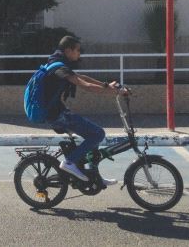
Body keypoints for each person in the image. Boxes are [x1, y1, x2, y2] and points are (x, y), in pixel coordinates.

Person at [44, 35, 127, 184]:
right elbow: (85, 86)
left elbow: (83, 77)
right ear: (68, 50)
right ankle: (70, 162)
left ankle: (95, 177)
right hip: (56, 115)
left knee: (92, 136)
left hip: (58, 112)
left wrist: (106, 85)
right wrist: (115, 92)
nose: (79, 53)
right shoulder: (59, 67)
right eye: (77, 50)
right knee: (98, 133)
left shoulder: (59, 63)